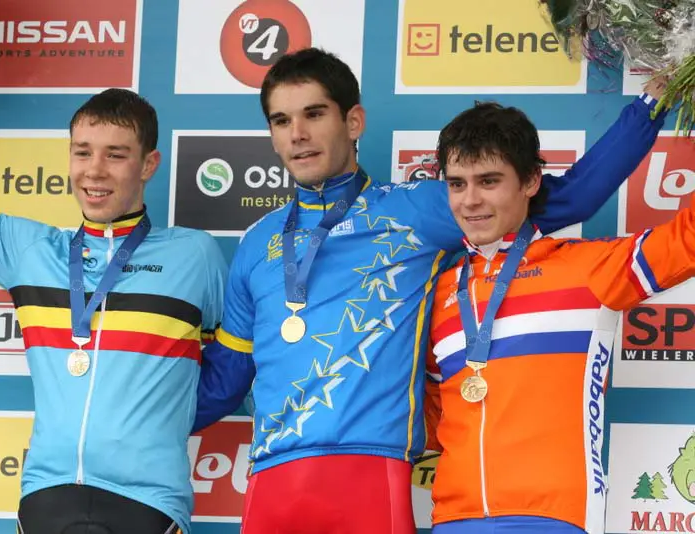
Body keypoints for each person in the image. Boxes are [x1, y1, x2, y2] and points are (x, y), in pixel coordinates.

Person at [193, 47, 667, 533]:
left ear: (354, 121)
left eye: (314, 114)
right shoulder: (256, 243)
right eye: (281, 120)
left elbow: (571, 196)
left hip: (371, 470)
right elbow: (228, 376)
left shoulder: (420, 209)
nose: (298, 134)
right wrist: (118, 427)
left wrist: (650, 106)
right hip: (270, 478)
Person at [0, 89, 226, 534]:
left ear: (148, 164)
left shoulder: (194, 256)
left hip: (148, 501)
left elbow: (233, 369)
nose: (94, 170)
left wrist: (164, 419)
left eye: (115, 155)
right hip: (45, 499)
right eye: (83, 152)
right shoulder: (30, 250)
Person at [424, 99, 693, 534]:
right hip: (454, 519)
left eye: (489, 181)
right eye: (457, 184)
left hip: (551, 517)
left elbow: (687, 238)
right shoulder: (440, 294)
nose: (470, 200)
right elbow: (435, 417)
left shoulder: (588, 269)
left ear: (530, 181)